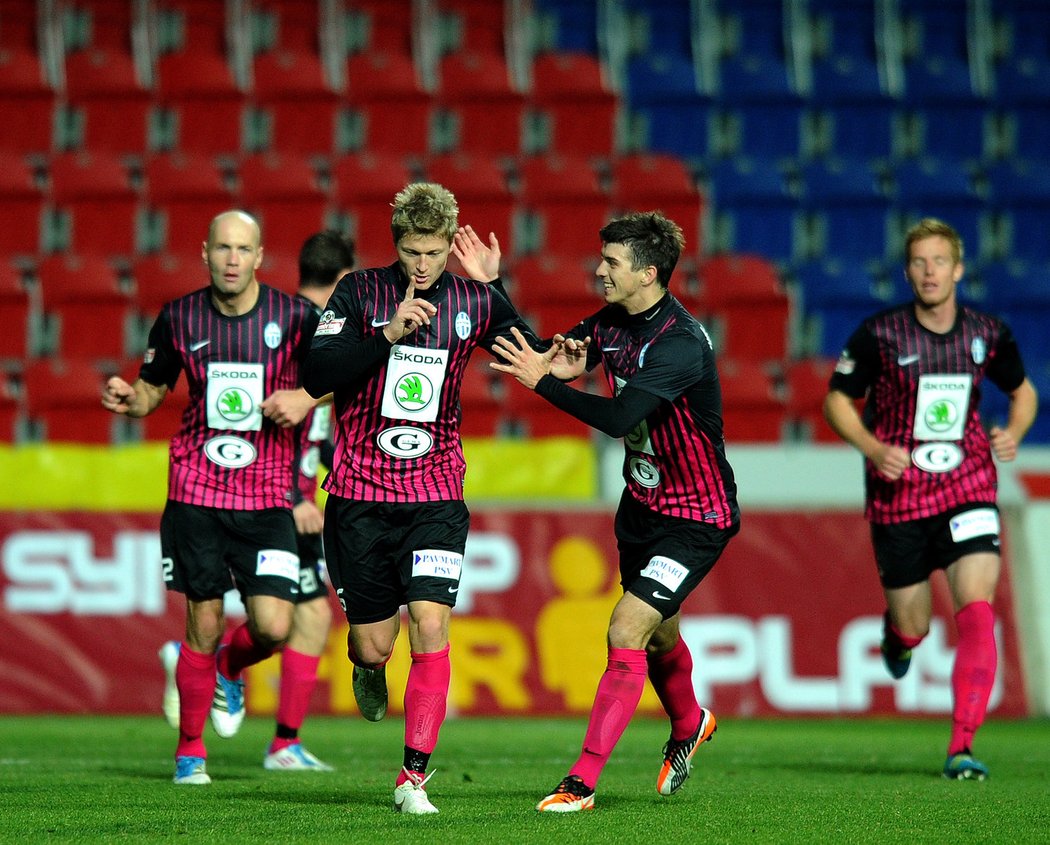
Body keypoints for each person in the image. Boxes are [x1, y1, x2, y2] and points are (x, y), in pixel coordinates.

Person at [478, 212, 740, 812]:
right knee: (657, 633)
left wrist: (547, 386)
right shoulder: (613, 321)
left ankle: (581, 781)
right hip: (642, 508)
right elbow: (541, 353)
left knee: (625, 629)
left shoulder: (678, 343)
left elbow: (620, 420)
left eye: (611, 263)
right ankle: (690, 722)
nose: (599, 270)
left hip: (696, 516)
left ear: (648, 273)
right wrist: (494, 289)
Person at [302, 182, 540, 815]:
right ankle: (368, 667)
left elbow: (536, 357)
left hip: (436, 493)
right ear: (397, 245)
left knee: (431, 623)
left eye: (435, 252)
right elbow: (315, 375)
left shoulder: (470, 298)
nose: (425, 264)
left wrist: (495, 287)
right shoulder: (358, 292)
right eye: (413, 251)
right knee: (373, 643)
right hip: (359, 495)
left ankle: (412, 779)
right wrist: (386, 334)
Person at [102, 210, 321, 785]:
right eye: (222, 248)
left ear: (258, 255)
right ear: (205, 253)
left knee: (273, 627)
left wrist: (302, 398)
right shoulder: (178, 317)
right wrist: (128, 397)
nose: (231, 259)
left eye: (242, 249)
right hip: (196, 490)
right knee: (202, 620)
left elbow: (339, 378)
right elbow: (152, 392)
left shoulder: (296, 317)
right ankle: (190, 753)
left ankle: (229, 666)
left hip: (269, 494)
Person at [823, 217, 1038, 781]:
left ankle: (961, 747)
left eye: (939, 261)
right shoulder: (881, 334)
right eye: (919, 263)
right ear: (908, 271)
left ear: (959, 269)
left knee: (977, 608)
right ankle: (898, 638)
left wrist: (1013, 430)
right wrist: (872, 447)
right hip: (899, 494)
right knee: (914, 624)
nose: (929, 272)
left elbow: (1023, 392)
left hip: (968, 483)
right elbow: (838, 401)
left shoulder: (988, 333)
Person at [156, 229, 354, 772]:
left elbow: (318, 425)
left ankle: (259, 712)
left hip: (289, 492)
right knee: (304, 618)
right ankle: (273, 737)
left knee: (300, 618)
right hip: (271, 495)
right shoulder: (301, 327)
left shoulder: (303, 321)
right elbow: (287, 418)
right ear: (343, 281)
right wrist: (295, 493)